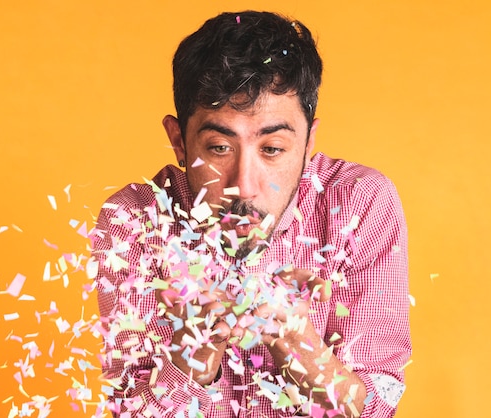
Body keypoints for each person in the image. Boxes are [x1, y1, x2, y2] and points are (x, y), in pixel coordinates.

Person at [91, 10, 410, 418]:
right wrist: (187, 364)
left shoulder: (359, 203)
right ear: (179, 142)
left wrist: (298, 344)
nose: (244, 185)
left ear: (309, 140)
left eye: (272, 149)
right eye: (219, 148)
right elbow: (127, 411)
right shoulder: (135, 222)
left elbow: (376, 406)